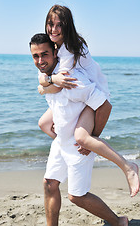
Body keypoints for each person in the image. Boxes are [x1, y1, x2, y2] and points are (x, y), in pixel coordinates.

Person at [37, 4, 139, 198]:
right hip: (81, 95)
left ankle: (128, 167)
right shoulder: (56, 46)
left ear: (68, 27)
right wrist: (46, 83)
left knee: (83, 138)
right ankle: (75, 148)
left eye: (60, 25)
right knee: (44, 123)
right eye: (51, 24)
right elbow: (47, 79)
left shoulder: (69, 48)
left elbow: (59, 84)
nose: (54, 29)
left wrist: (93, 136)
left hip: (94, 96)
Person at [30, 33, 129, 226]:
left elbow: (105, 106)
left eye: (45, 54)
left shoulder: (72, 79)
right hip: (61, 142)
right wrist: (46, 84)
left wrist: (91, 140)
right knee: (50, 184)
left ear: (56, 53)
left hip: (78, 144)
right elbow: (44, 85)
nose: (40, 61)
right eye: (35, 56)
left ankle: (118, 222)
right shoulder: (47, 74)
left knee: (77, 196)